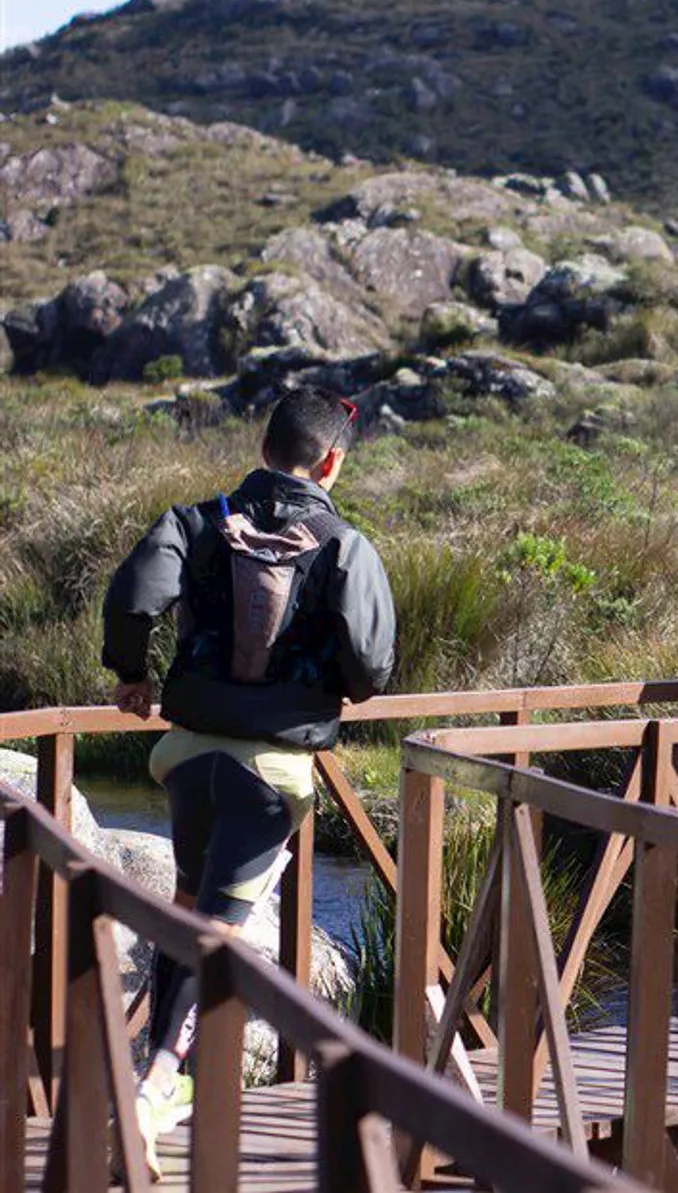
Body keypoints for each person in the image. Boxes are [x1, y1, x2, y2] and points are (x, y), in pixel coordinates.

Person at [101, 388, 396, 1179]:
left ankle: (159, 1078)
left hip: (187, 756)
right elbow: (370, 670)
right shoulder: (344, 543)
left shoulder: (197, 519)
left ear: (263, 446)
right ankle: (154, 1085)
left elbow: (132, 597)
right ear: (331, 461)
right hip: (271, 771)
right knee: (218, 932)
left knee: (191, 912)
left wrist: (133, 674)